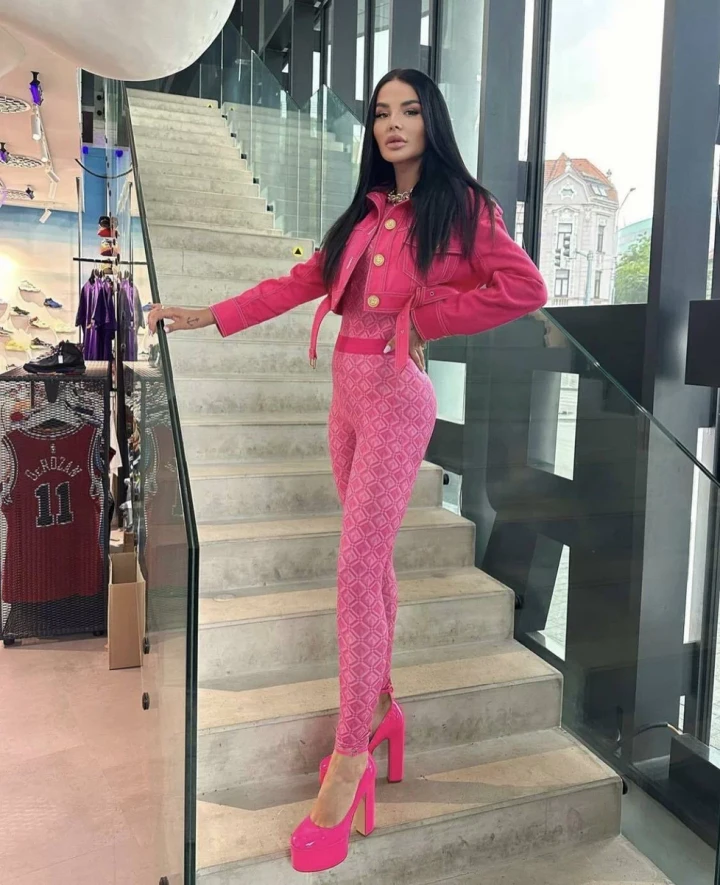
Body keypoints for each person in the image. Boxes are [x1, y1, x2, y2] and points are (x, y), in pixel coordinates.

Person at [149, 68, 547, 874]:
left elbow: (525, 285)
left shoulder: (465, 207)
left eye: (409, 111)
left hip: (398, 396)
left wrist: (425, 317)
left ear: (432, 121)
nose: (392, 124)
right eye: (380, 113)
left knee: (357, 565)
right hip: (345, 393)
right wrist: (209, 314)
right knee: (373, 564)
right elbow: (303, 280)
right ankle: (384, 704)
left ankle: (351, 753)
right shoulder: (366, 211)